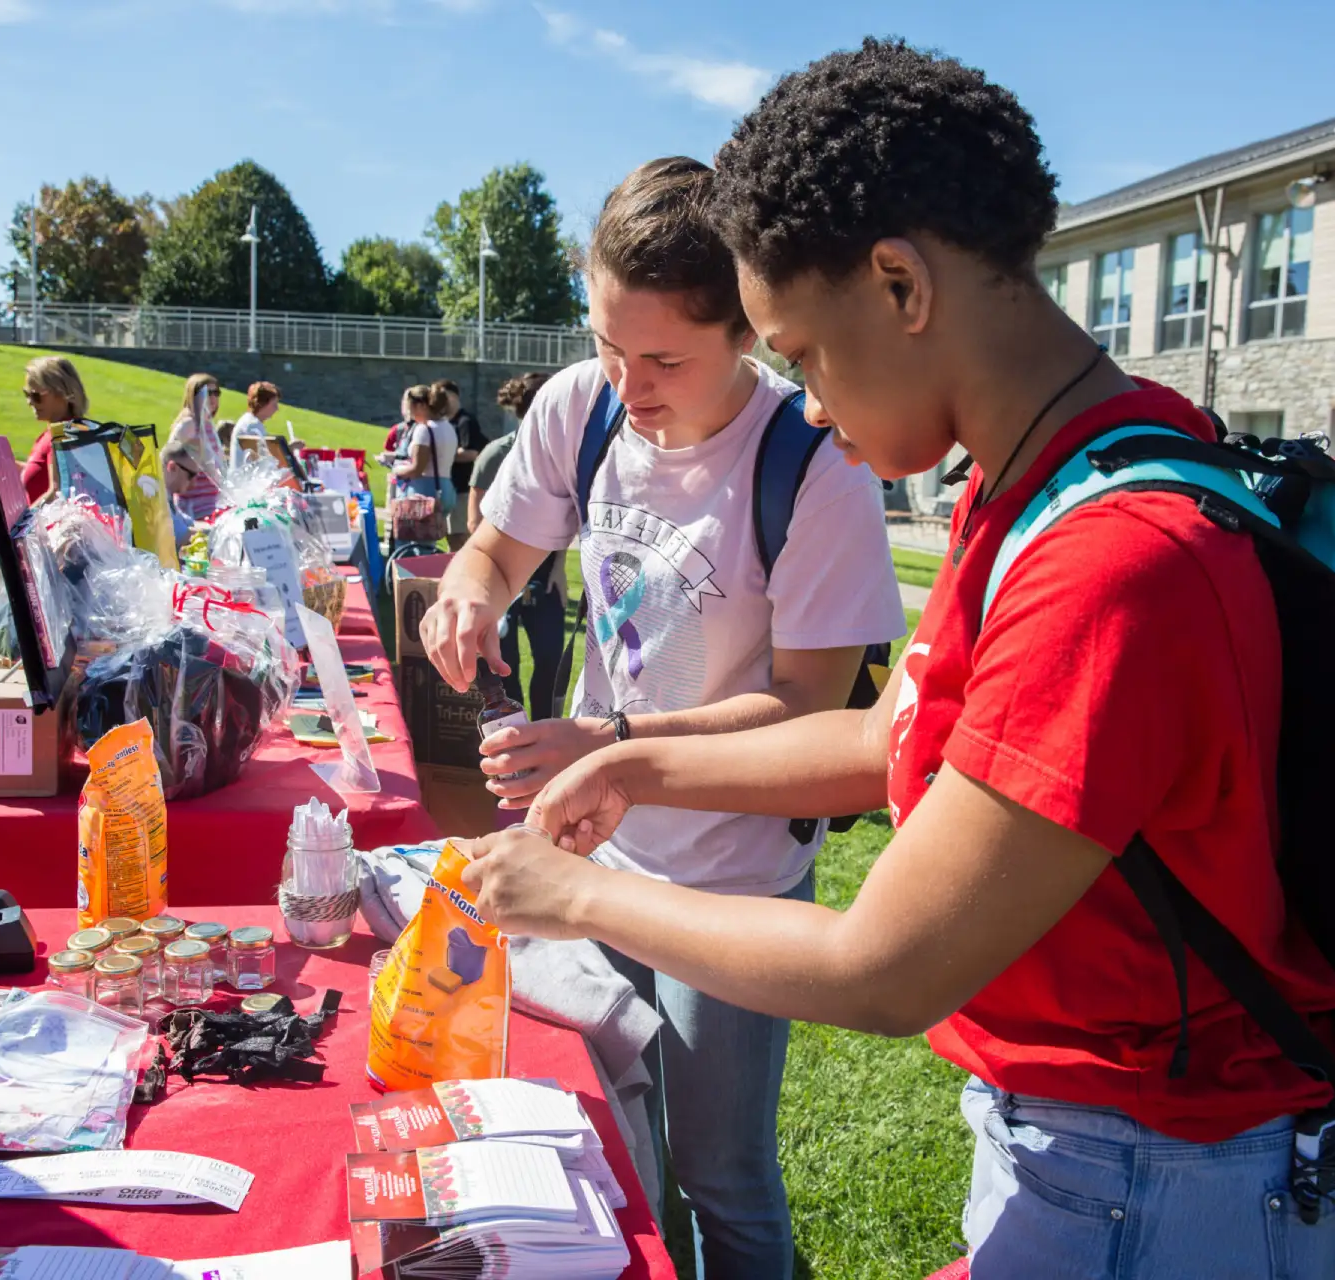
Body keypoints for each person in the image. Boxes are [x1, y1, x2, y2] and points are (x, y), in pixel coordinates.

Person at [459, 41, 1335, 1280]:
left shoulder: (1111, 561)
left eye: (805, 354)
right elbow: (891, 735)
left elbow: (882, 964)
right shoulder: (1048, 480)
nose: (814, 407)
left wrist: (577, 896)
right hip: (1091, 1147)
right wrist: (638, 768)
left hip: (1159, 1172)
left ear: (901, 285)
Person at [418, 155, 905, 1277]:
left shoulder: (812, 469)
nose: (626, 386)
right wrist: (470, 591)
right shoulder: (578, 406)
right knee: (616, 1148)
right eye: (605, 345)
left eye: (663, 359)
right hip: (592, 845)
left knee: (721, 1173)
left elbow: (806, 713)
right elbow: (498, 546)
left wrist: (613, 747)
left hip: (728, 876)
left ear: (747, 330)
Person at [471, 372, 562, 714]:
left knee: (550, 657)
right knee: (504, 663)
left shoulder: (558, 456)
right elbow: (474, 522)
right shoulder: (496, 454)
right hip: (501, 580)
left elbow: (561, 518)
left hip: (544, 579)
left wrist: (558, 568)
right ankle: (516, 726)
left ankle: (545, 726)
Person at [20, 356, 89, 502]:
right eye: (27, 394)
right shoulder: (51, 433)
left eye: (36, 396)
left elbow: (57, 493)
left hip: (50, 524)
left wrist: (22, 522)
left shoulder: (65, 435)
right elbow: (37, 473)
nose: (29, 402)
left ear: (63, 393)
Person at [436, 377, 491, 550]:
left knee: (460, 538)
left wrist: (444, 455)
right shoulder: (445, 423)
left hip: (463, 489)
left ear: (452, 396)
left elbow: (472, 453)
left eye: (442, 396)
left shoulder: (465, 422)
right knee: (450, 536)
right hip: (449, 487)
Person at [165, 372, 225, 523]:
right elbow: (167, 459)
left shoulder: (207, 424)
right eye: (207, 393)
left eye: (216, 393)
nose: (212, 398)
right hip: (195, 506)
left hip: (212, 502)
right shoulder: (189, 424)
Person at [393, 384, 457, 509]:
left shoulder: (424, 429)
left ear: (421, 406)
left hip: (424, 491)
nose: (410, 414)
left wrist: (396, 469)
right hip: (445, 487)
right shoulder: (448, 427)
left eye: (411, 408)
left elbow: (417, 469)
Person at [229, 381, 281, 466]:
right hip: (245, 478)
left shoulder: (250, 422)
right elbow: (267, 462)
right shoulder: (252, 426)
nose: (277, 409)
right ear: (263, 404)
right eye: (274, 404)